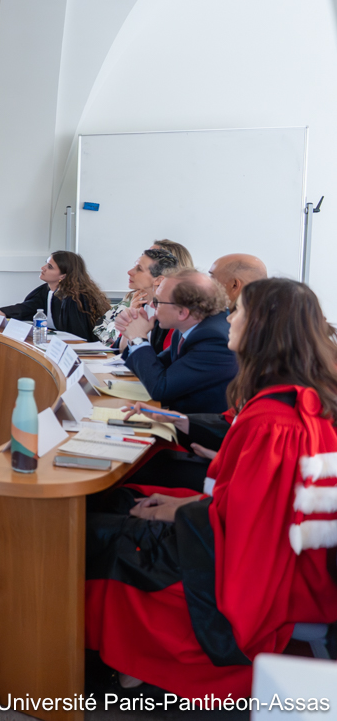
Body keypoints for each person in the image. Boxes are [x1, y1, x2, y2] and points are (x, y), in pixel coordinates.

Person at [85, 278, 337, 699]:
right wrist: (190, 500)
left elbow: (251, 523)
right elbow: (256, 504)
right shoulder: (288, 394)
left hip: (270, 567)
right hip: (258, 537)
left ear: (263, 329)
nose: (230, 319)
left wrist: (179, 512)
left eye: (240, 312)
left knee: (112, 533)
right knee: (122, 500)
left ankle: (125, 665)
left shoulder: (277, 420)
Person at [116, 269, 237, 413]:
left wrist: (138, 338)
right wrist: (133, 335)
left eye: (157, 301)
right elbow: (155, 369)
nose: (152, 306)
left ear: (182, 312)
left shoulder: (213, 340)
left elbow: (160, 388)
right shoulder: (190, 327)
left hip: (200, 429)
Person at [0, 250, 110, 342]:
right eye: (46, 264)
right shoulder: (45, 291)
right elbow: (21, 310)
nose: (43, 268)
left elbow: (79, 338)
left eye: (50, 267)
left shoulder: (76, 299)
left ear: (63, 276)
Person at [93, 247, 178, 346]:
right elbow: (121, 350)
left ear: (158, 280)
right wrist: (130, 318)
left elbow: (159, 358)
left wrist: (136, 335)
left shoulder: (169, 314)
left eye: (139, 269)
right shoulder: (140, 304)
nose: (129, 272)